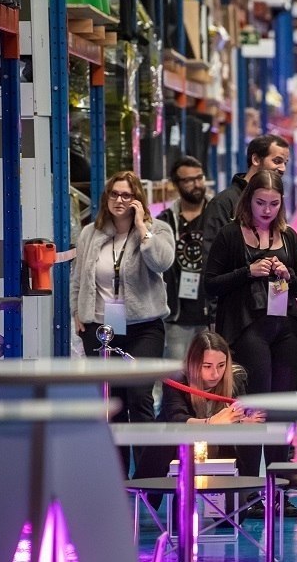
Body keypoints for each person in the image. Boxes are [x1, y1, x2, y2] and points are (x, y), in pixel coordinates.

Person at [203, 169, 297, 516]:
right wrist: (248, 272)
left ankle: (278, 490)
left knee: (280, 412)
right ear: (249, 200)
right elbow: (211, 284)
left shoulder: (289, 236)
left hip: (287, 330)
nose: (266, 210)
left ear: (282, 204)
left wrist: (286, 274)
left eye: (274, 203)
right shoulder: (230, 235)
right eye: (261, 202)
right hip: (247, 327)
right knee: (253, 409)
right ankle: (248, 490)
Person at [70, 171, 175, 475]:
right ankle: (115, 477)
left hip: (144, 327)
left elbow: (162, 262)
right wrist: (78, 313)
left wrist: (142, 227)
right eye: (114, 194)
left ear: (137, 200)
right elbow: (78, 278)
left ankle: (146, 475)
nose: (119, 200)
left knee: (140, 399)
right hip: (102, 330)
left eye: (126, 195)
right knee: (111, 403)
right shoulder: (91, 233)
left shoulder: (157, 230)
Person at [133, 332, 267, 511]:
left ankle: (249, 491)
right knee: (182, 516)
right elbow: (177, 419)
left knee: (231, 518)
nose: (215, 373)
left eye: (221, 365)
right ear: (194, 364)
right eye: (207, 366)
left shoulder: (236, 378)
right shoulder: (176, 379)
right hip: (178, 451)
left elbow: (239, 417)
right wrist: (212, 422)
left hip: (219, 451)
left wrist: (245, 422)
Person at [201, 134, 290, 261]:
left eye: (285, 163)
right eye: (277, 161)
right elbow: (211, 260)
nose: (282, 168)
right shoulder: (223, 203)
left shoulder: (277, 201)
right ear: (256, 160)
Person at [157, 156, 210, 359]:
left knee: (211, 379)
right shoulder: (165, 221)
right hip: (177, 315)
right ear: (176, 184)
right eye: (188, 180)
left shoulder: (217, 216)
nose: (196, 184)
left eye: (199, 178)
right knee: (176, 378)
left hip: (210, 314)